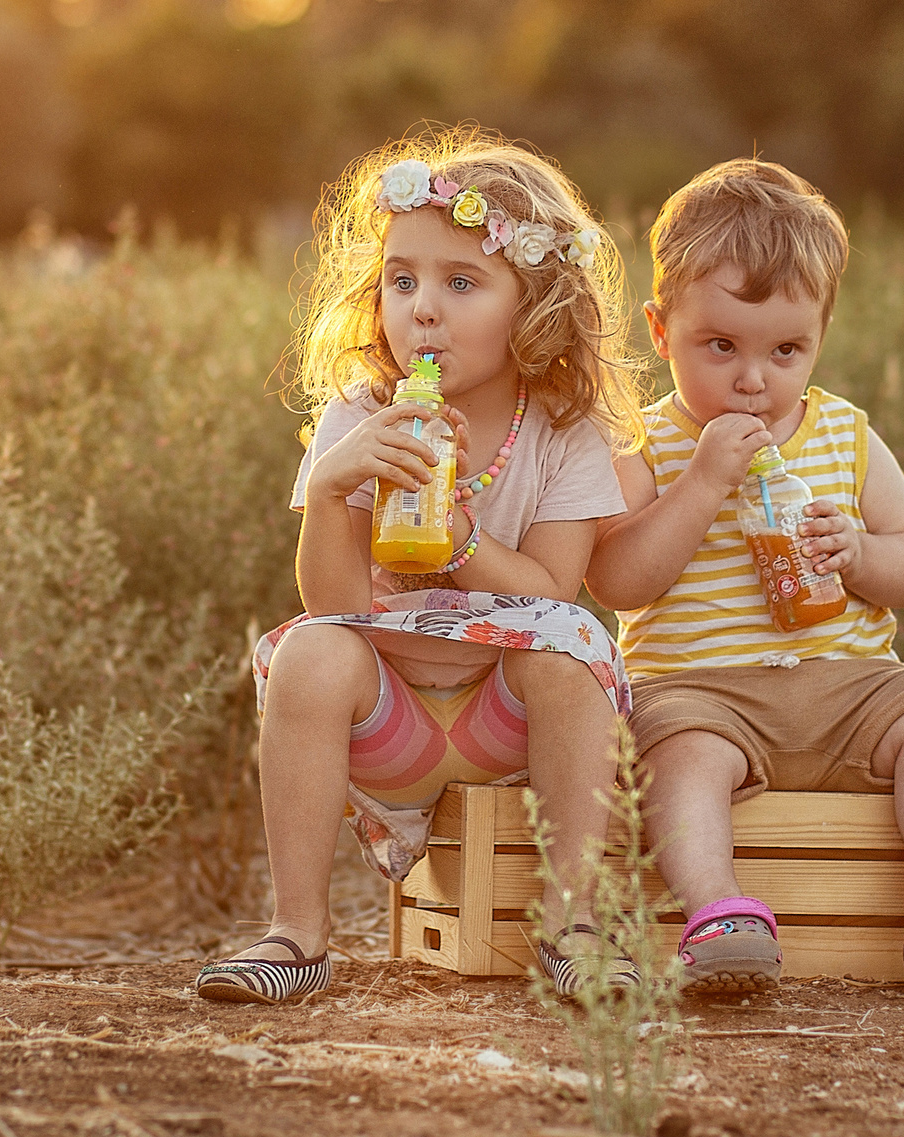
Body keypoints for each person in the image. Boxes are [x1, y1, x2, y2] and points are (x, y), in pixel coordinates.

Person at [195, 128, 643, 1005]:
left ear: (535, 304)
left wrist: (464, 547)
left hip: (506, 728)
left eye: (460, 282)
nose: (421, 309)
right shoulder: (364, 416)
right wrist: (329, 492)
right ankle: (298, 934)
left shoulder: (560, 432)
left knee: (571, 650)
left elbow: (555, 594)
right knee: (309, 652)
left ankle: (574, 926)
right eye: (402, 280)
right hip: (390, 722)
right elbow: (333, 607)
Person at [584, 159, 904, 1001]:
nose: (753, 378)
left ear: (820, 336)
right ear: (660, 332)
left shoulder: (843, 432)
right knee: (677, 755)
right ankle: (718, 914)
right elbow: (615, 578)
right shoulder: (648, 441)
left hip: (850, 686)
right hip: (704, 691)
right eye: (721, 347)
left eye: (786, 350)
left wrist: (858, 551)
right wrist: (700, 484)